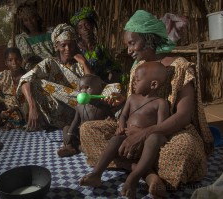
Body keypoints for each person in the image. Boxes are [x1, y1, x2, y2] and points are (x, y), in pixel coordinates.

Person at [79, 10, 214, 198]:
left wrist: (145, 133)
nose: (128, 50)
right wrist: (120, 104)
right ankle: (148, 174)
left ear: (148, 39)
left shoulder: (181, 66)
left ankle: (132, 166)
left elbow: (183, 116)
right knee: (88, 129)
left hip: (168, 133)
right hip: (132, 130)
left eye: (132, 43)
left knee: (186, 148)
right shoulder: (137, 67)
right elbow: (137, 104)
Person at [80, 61, 170, 198]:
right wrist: (121, 125)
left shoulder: (160, 103)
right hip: (126, 138)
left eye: (137, 80)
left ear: (153, 84)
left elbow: (161, 127)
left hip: (147, 141)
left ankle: (133, 178)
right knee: (116, 139)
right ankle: (97, 173)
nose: (133, 83)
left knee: (155, 138)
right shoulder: (132, 98)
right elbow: (123, 115)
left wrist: (142, 133)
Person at [17, 23, 122, 132]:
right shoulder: (50, 63)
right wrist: (32, 107)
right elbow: (25, 79)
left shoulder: (79, 64)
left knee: (113, 89)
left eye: (70, 45)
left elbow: (93, 84)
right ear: (56, 46)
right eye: (63, 45)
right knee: (35, 83)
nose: (67, 48)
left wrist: (85, 63)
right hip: (61, 111)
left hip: (84, 105)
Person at [57, 74, 115, 157]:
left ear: (99, 89)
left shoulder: (103, 107)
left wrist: (110, 120)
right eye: (81, 89)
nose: (83, 91)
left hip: (94, 136)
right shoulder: (79, 106)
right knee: (66, 128)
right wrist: (70, 133)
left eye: (87, 88)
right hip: (81, 134)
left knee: (93, 146)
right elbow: (76, 121)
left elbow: (111, 121)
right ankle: (69, 147)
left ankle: (78, 147)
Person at [70, 7, 123, 84]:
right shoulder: (75, 49)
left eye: (87, 25)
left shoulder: (100, 49)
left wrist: (111, 76)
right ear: (78, 31)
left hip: (99, 84)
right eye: (80, 27)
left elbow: (113, 67)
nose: (84, 29)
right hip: (81, 85)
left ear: (92, 26)